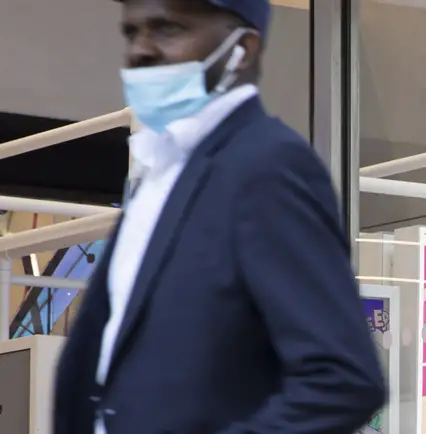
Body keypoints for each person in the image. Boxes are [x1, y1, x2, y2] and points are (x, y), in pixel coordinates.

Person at [52, 0, 386, 433]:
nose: (140, 49)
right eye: (132, 32)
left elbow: (343, 379)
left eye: (167, 29)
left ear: (242, 50)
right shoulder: (164, 171)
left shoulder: (266, 167)